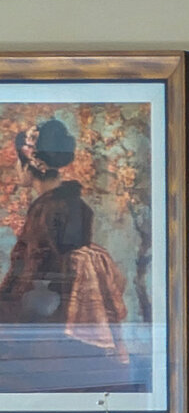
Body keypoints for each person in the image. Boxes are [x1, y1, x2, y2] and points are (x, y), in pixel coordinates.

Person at [0, 116, 135, 389]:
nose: (15, 168)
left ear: (30, 166)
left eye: (18, 161)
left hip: (49, 321)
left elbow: (33, 272)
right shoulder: (75, 203)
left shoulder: (44, 210)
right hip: (62, 309)